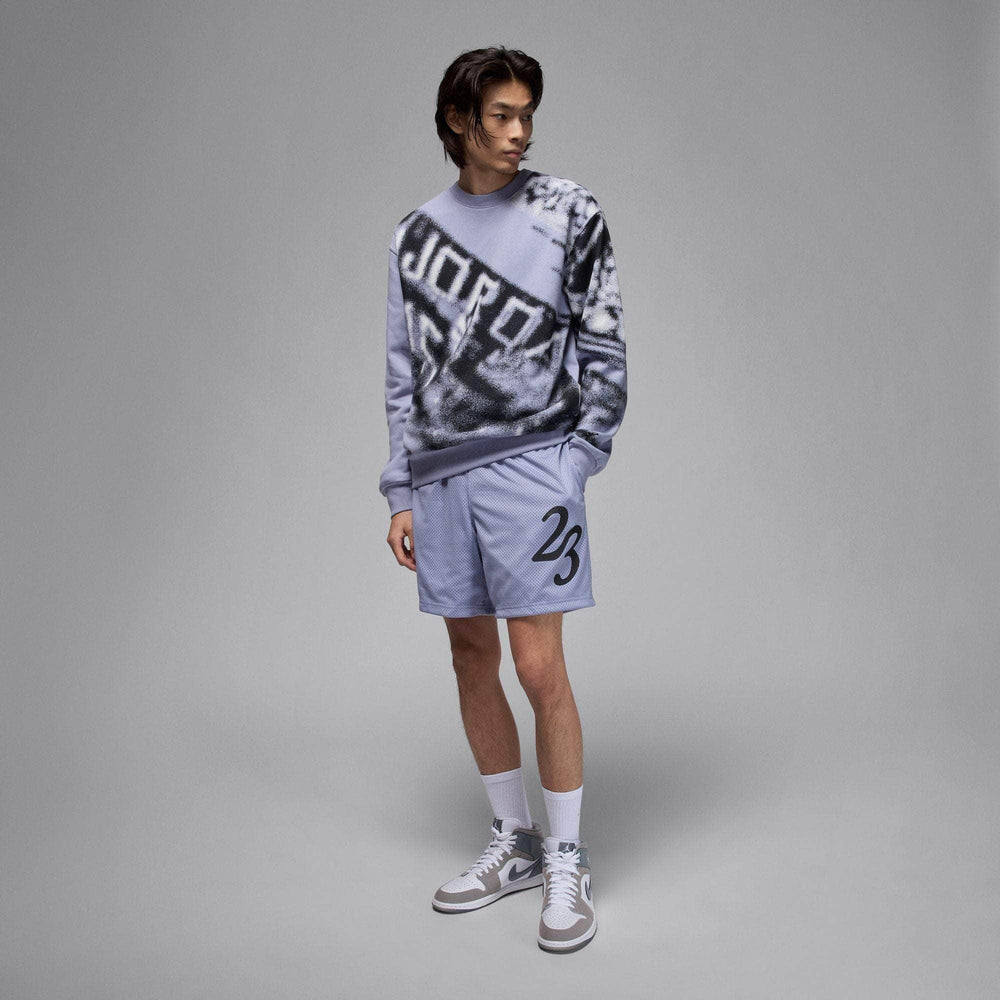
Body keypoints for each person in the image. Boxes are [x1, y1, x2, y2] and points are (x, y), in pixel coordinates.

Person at [378, 45, 627, 953]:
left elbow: (605, 342)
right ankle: (513, 842)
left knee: (538, 666)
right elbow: (403, 370)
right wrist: (401, 487)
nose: (520, 132)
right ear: (458, 121)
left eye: (528, 114)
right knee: (469, 655)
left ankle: (566, 857)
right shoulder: (414, 236)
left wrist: (578, 460)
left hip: (533, 470)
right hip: (441, 475)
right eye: (501, 116)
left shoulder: (568, 211)